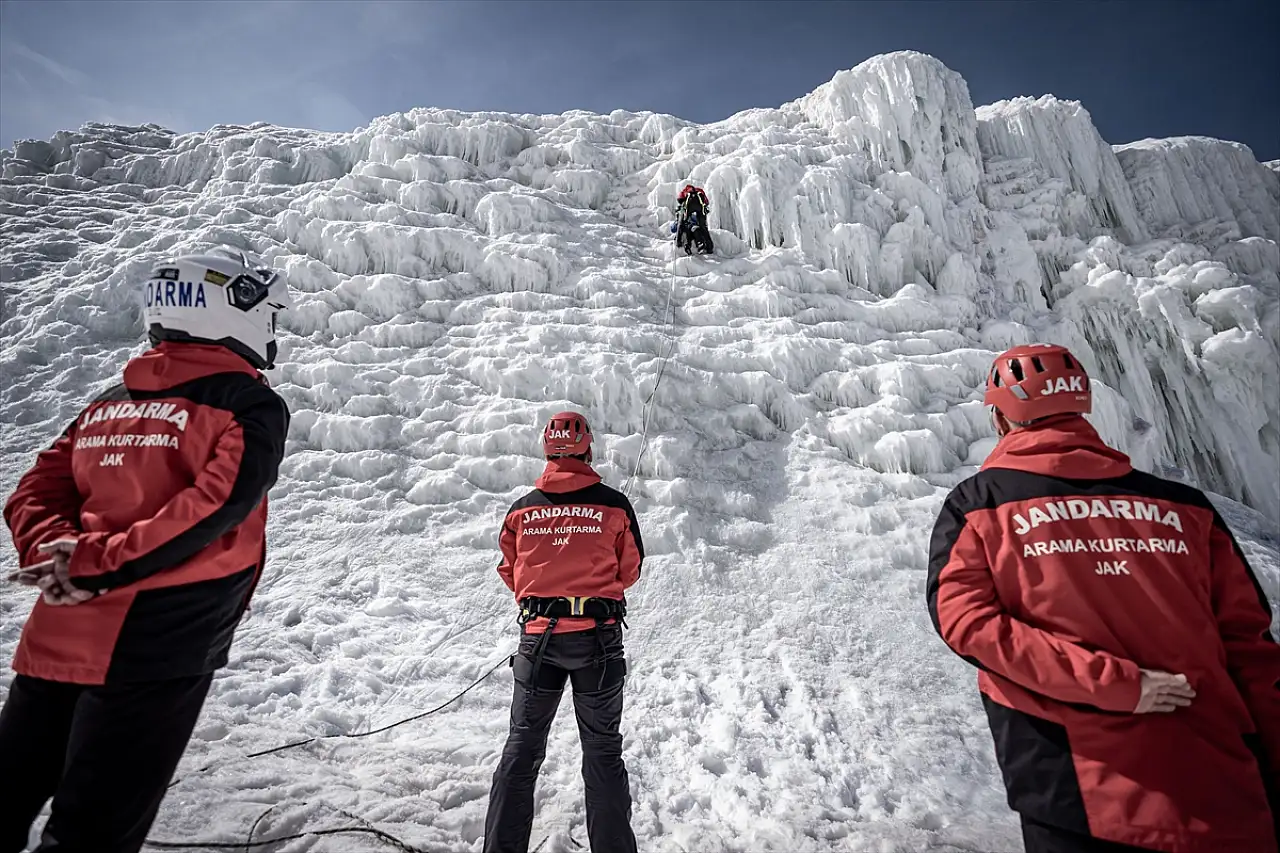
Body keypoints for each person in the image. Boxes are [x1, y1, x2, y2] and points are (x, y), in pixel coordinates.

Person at [927, 343, 1280, 853]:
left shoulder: (982, 505)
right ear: (1082, 408)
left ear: (1002, 419)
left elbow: (968, 624)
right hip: (1228, 792)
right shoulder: (1185, 507)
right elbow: (1252, 652)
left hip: (1081, 795)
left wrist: (1117, 684)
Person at [0, 247, 293, 853]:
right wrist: (95, 564)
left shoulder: (109, 400)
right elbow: (213, 509)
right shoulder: (248, 403)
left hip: (57, 631)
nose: (273, 326)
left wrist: (58, 554)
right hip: (157, 643)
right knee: (93, 832)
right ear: (228, 309)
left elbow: (34, 489)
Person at [483, 411, 644, 853]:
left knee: (521, 751)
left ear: (547, 451)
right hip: (599, 640)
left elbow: (510, 570)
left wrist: (545, 590)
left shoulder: (522, 509)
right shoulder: (613, 505)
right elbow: (630, 570)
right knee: (603, 754)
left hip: (539, 641)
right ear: (588, 450)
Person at [672, 183, 713, 255]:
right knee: (703, 228)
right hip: (700, 211)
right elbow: (706, 202)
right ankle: (709, 247)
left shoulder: (685, 192)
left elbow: (680, 199)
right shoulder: (699, 192)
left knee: (687, 226)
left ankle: (682, 243)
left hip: (690, 212)